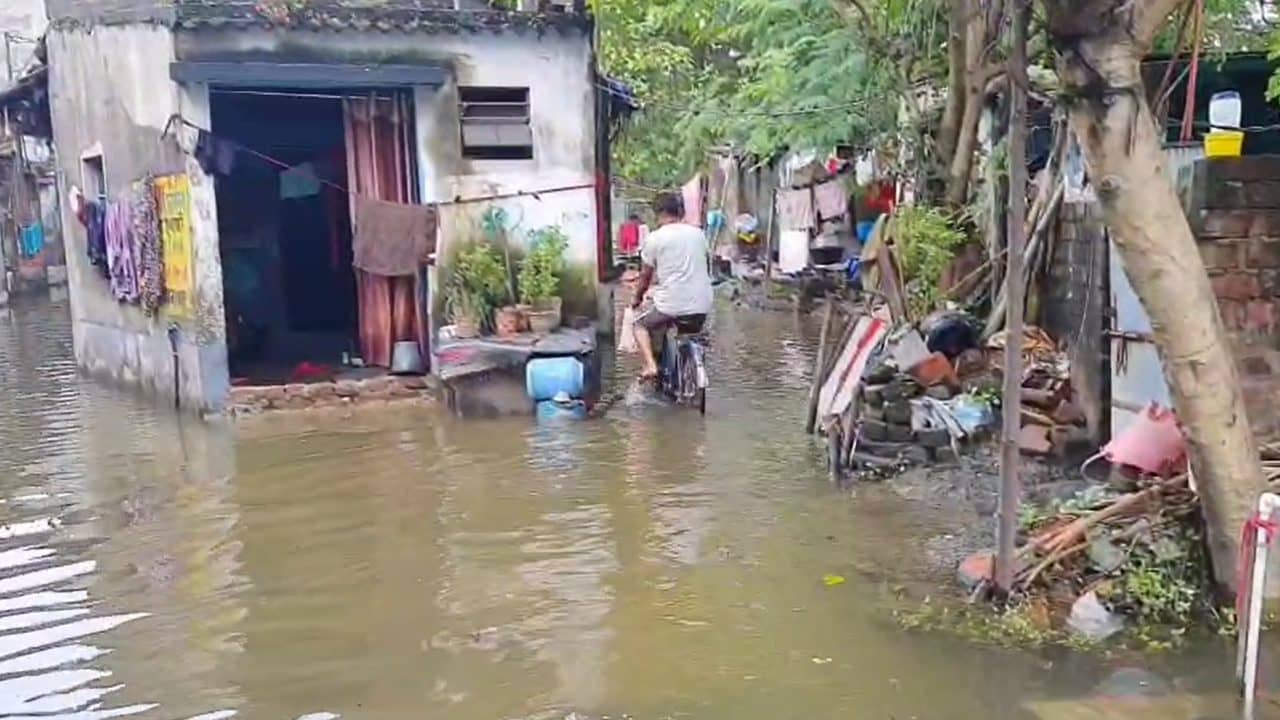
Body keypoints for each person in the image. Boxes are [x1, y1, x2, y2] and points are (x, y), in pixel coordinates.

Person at [631, 192, 713, 380]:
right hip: (702, 303)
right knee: (690, 333)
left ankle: (651, 365)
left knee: (640, 325)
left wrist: (637, 298)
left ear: (657, 213)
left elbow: (645, 277)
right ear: (681, 212)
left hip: (671, 305)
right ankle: (689, 369)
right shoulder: (698, 234)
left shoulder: (655, 238)